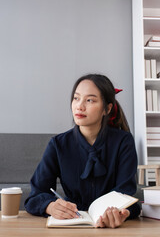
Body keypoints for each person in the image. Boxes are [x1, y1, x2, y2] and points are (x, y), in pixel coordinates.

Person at [25, 74, 140, 228]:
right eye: (76, 98)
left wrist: (116, 213)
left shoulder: (123, 142)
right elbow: (35, 195)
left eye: (90, 100)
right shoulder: (58, 144)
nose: (79, 106)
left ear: (107, 108)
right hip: (72, 221)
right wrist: (50, 206)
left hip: (111, 225)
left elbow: (125, 191)